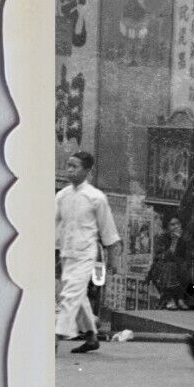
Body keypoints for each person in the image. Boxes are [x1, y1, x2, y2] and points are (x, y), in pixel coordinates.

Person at [55, 150, 122, 354]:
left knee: (70, 296)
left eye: (75, 166)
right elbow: (55, 225)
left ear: (87, 171)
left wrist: (113, 259)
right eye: (68, 165)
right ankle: (91, 336)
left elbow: (108, 230)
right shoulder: (61, 196)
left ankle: (55, 338)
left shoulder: (96, 198)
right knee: (77, 295)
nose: (69, 170)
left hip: (86, 255)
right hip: (66, 253)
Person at [149, 214, 190, 308]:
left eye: (178, 224)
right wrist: (174, 242)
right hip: (160, 268)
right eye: (172, 224)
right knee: (170, 266)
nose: (176, 226)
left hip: (177, 267)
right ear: (167, 227)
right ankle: (169, 298)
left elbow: (186, 257)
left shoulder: (183, 239)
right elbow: (164, 258)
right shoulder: (161, 238)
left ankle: (180, 298)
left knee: (183, 266)